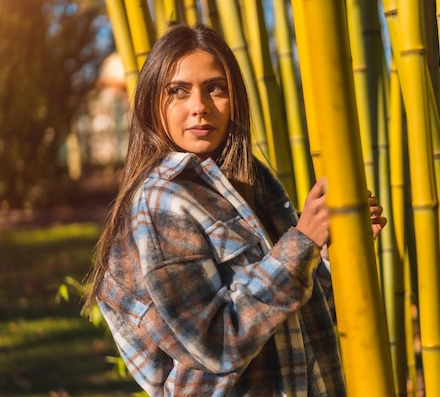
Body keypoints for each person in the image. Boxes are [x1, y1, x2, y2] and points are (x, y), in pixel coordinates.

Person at [83, 22, 387, 397]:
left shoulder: (249, 180)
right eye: (178, 91)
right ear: (151, 103)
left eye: (216, 88)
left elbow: (289, 314)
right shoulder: (162, 201)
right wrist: (302, 241)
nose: (199, 107)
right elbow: (216, 342)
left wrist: (330, 256)